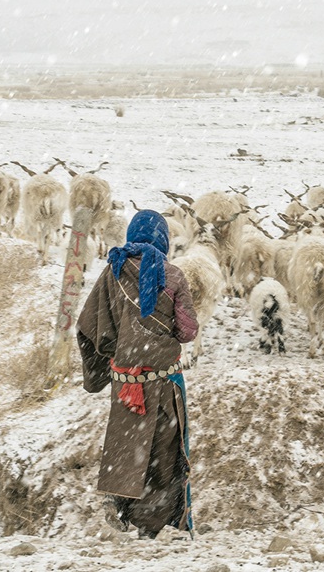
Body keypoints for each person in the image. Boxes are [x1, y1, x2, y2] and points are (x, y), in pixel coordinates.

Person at [77, 209, 199, 539]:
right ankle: (155, 525)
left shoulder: (111, 272)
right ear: (164, 239)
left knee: (127, 450)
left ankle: (119, 508)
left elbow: (88, 326)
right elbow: (188, 332)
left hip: (126, 384)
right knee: (163, 454)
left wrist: (98, 375)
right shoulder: (173, 276)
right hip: (163, 383)